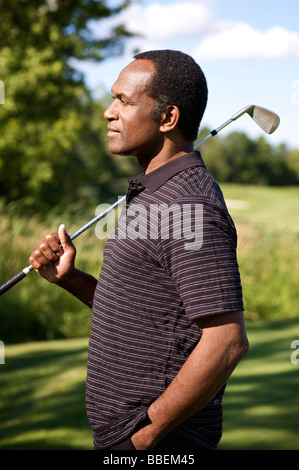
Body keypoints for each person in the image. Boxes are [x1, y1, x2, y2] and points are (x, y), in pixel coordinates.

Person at [29, 50, 249, 451]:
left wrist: (145, 435)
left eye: (124, 102)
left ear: (167, 119)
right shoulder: (153, 197)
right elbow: (144, 313)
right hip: (125, 435)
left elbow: (226, 342)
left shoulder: (188, 205)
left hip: (158, 442)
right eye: (113, 98)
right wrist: (71, 279)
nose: (108, 112)